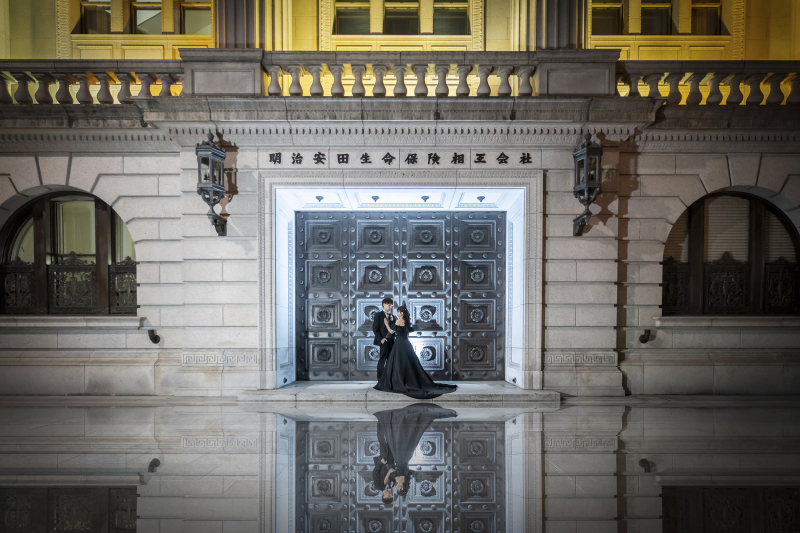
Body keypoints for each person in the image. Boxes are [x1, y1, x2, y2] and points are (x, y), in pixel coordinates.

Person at [371, 403, 457, 504]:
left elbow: (376, 472)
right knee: (395, 438)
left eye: (387, 496)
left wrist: (381, 462)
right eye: (390, 496)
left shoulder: (379, 486)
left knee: (388, 439)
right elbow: (395, 471)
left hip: (384, 458)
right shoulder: (393, 484)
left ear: (383, 496)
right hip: (394, 457)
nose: (390, 494)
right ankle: (397, 422)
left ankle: (391, 422)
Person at [374, 305, 458, 399]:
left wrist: (385, 323)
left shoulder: (399, 320)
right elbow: (407, 334)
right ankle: (406, 379)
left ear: (401, 313)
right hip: (406, 343)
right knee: (408, 362)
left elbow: (390, 331)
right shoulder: (406, 321)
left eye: (398, 312)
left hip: (400, 344)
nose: (397, 313)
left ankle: (399, 380)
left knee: (398, 362)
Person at [372, 298, 396, 382]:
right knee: (382, 360)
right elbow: (375, 329)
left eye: (391, 305)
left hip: (391, 341)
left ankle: (389, 380)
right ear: (384, 304)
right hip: (383, 341)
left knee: (391, 361)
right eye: (389, 305)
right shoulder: (378, 315)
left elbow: (393, 329)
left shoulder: (392, 316)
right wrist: (381, 339)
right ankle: (381, 380)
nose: (390, 307)